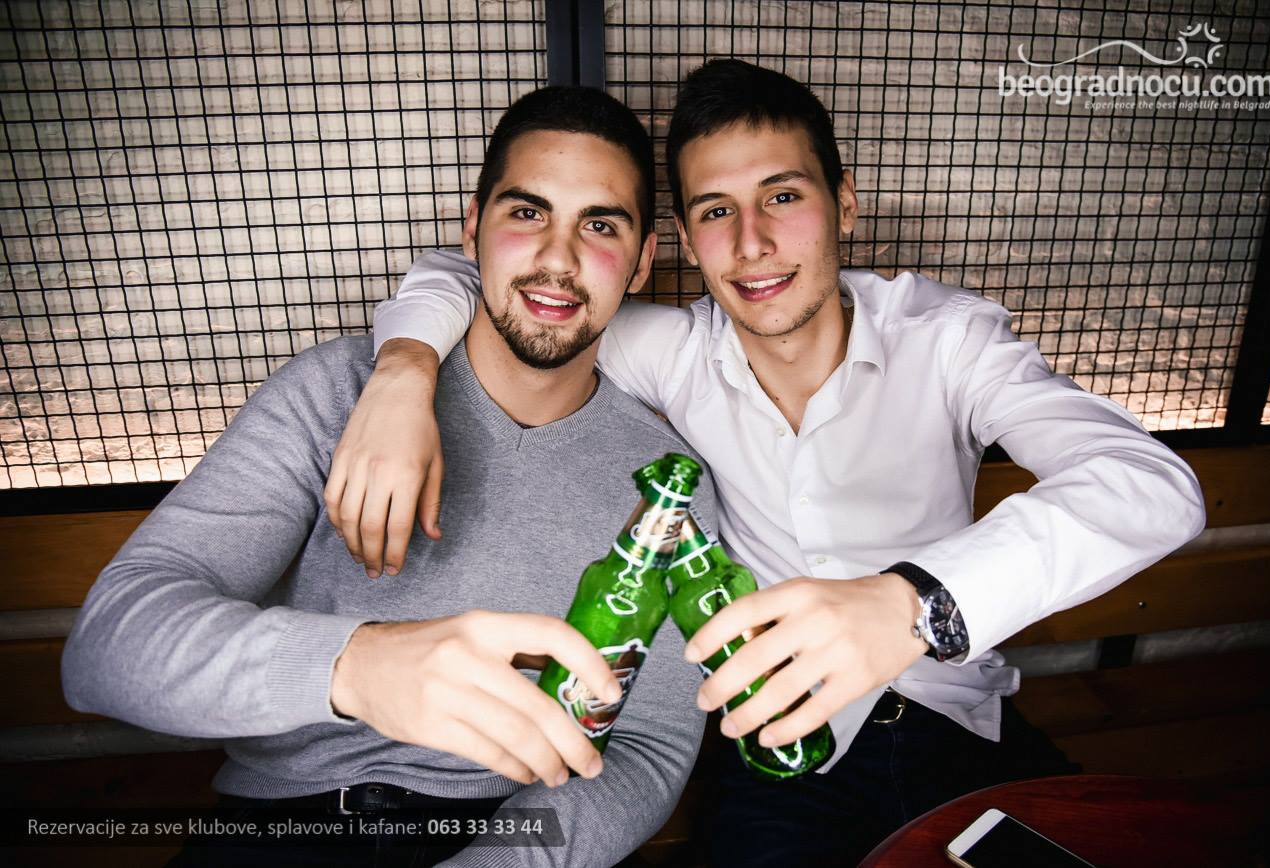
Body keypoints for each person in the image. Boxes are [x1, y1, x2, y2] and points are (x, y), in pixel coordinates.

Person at [325, 61, 1207, 866]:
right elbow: (489, 276)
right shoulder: (670, 352)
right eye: (717, 211)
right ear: (679, 238)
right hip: (775, 747)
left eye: (782, 196)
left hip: (960, 723)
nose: (751, 243)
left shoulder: (947, 342)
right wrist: (403, 370)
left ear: (845, 203)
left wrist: (911, 606)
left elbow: (1152, 487)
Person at [61, 86, 719, 868]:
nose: (558, 258)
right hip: (287, 827)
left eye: (600, 225)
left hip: (510, 831)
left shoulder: (666, 484)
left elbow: (647, 746)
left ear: (642, 262)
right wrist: (358, 667)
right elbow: (106, 650)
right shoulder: (333, 392)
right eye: (527, 212)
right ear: (472, 230)